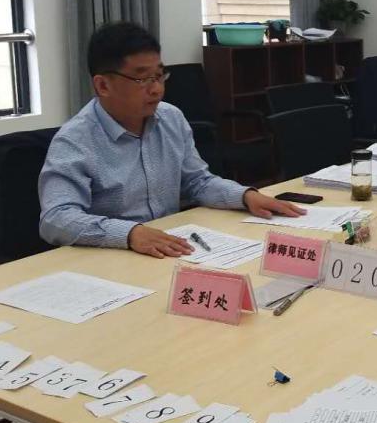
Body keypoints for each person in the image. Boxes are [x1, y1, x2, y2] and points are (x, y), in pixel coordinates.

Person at [39, 22, 302, 257]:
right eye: (142, 78)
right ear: (103, 86)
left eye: (159, 75)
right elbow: (56, 218)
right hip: (112, 257)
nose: (157, 89)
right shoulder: (75, 141)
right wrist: (129, 234)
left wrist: (244, 196)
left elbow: (197, 182)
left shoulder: (170, 118)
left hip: (170, 247)